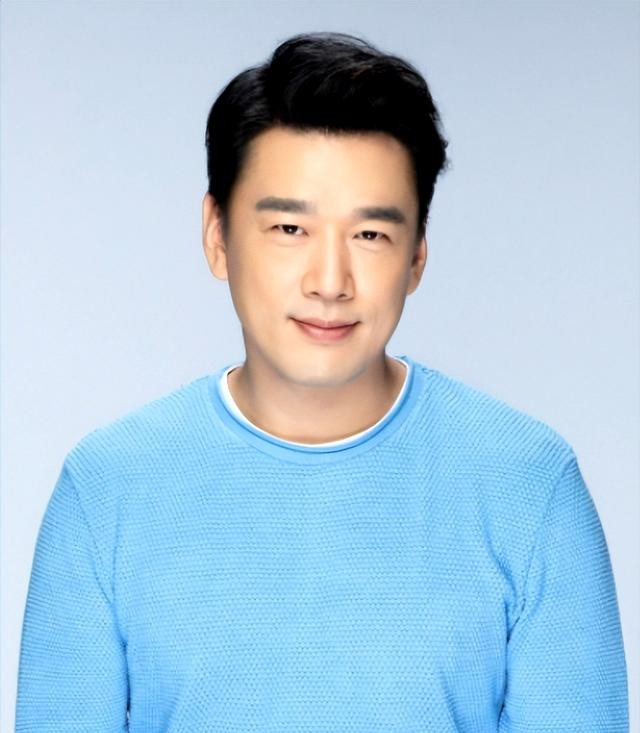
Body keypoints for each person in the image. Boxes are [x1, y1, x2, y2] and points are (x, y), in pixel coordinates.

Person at [15, 31, 628, 732]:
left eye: (370, 235)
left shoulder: (530, 488)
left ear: (417, 256)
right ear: (217, 235)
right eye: (289, 228)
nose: (330, 282)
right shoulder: (106, 491)